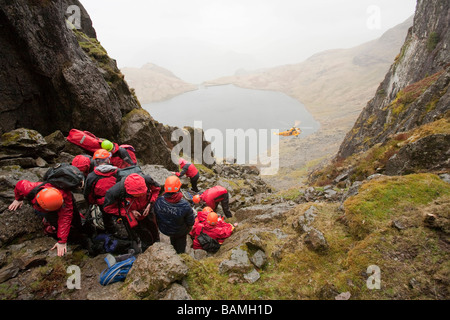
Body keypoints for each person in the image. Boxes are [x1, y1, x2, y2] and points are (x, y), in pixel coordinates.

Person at [8, 180, 89, 257]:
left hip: (58, 205)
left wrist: (62, 241)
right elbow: (19, 185)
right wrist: (18, 199)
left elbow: (65, 221)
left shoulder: (66, 202)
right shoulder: (29, 188)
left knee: (71, 221)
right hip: (43, 205)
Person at [103, 173, 161, 252]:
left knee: (153, 227)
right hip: (131, 215)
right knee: (141, 233)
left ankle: (157, 242)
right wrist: (128, 212)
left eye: (142, 194)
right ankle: (145, 248)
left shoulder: (147, 181)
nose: (140, 195)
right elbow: (107, 208)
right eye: (137, 195)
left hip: (147, 209)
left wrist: (150, 203)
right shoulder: (115, 192)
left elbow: (156, 189)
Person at [154, 176, 195, 254]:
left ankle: (173, 248)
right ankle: (180, 254)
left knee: (173, 238)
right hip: (180, 232)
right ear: (178, 189)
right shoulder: (185, 205)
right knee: (180, 246)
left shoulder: (159, 201)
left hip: (165, 229)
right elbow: (191, 222)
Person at [83, 149, 119, 234]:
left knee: (107, 218)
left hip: (102, 202)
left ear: (96, 161)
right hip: (118, 200)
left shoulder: (91, 176)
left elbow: (87, 193)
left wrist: (93, 202)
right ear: (108, 159)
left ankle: (112, 233)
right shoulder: (117, 171)